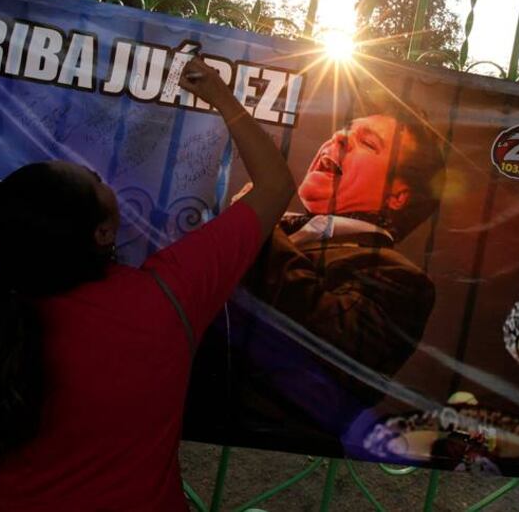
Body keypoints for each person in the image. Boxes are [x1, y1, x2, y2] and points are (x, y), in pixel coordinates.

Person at [0, 57, 294, 512]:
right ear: (102, 232)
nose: (98, 173)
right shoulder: (168, 296)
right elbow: (274, 185)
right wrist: (222, 97)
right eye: (96, 179)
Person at [184, 104, 446, 457]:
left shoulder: (402, 282)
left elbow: (321, 344)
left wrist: (262, 224)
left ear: (397, 196)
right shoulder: (277, 231)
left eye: (368, 143)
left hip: (262, 459)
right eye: (344, 130)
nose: (339, 138)